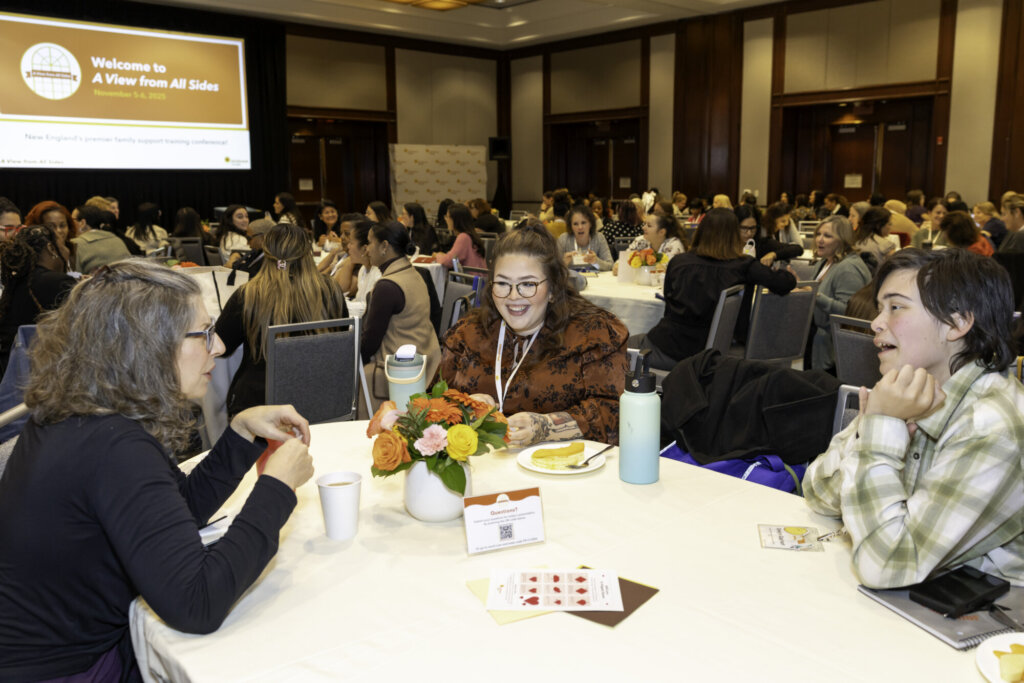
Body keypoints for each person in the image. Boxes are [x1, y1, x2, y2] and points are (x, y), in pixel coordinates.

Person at [0, 260, 315, 680]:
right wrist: (276, 487)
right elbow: (197, 603)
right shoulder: (114, 446)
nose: (218, 346)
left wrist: (239, 436)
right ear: (148, 345)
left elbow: (174, 513)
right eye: (203, 333)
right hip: (66, 669)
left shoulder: (84, 414)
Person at [803, 248, 1024, 588]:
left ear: (957, 322)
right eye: (880, 308)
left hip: (988, 617)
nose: (876, 322)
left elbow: (887, 564)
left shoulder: (990, 425)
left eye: (896, 307)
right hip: (920, 599)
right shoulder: (911, 390)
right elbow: (817, 492)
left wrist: (881, 429)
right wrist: (875, 429)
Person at [440, 225, 628, 446]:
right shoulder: (469, 333)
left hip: (562, 469)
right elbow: (433, 402)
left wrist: (548, 427)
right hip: (481, 468)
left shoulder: (591, 334)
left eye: (528, 284)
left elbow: (613, 414)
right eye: (502, 283)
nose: (513, 296)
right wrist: (463, 406)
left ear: (552, 289)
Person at [631, 208, 798, 371]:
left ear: (701, 231)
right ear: (734, 235)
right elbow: (784, 284)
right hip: (715, 352)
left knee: (619, 345)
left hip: (669, 348)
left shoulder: (679, 262)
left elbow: (668, 303)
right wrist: (788, 274)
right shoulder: (744, 265)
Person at [215, 223, 348, 417]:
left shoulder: (249, 294)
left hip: (259, 404)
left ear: (266, 253)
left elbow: (221, 347)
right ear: (307, 254)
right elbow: (340, 342)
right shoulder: (331, 291)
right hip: (320, 400)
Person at [361, 221, 441, 414]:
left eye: (370, 242)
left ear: (384, 246)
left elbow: (370, 342)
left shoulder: (388, 286)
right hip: (428, 355)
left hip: (402, 369)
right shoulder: (413, 273)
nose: (366, 249)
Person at [0, 225, 76, 374]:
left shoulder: (18, 282)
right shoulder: (58, 283)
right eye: (63, 244)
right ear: (51, 248)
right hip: (41, 373)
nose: (67, 251)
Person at [809, 216, 872, 371]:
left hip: (836, 352)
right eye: (818, 234)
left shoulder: (848, 269)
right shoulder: (826, 261)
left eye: (828, 236)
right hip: (820, 342)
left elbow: (850, 312)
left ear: (843, 240)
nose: (820, 240)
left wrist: (815, 296)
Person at [610, 213, 686, 275]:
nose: (643, 228)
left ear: (661, 232)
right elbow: (623, 259)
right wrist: (618, 266)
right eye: (645, 224)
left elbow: (666, 271)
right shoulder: (640, 240)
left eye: (649, 226)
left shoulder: (674, 245)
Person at [332, 219, 381, 306]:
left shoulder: (379, 275)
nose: (348, 246)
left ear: (364, 248)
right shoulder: (363, 269)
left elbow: (366, 309)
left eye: (351, 243)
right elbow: (358, 301)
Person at [71, 206, 131, 274]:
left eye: (72, 220)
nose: (69, 224)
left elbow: (73, 278)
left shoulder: (75, 244)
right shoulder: (117, 240)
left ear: (82, 223)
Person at [735, 204, 801, 268]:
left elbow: (798, 249)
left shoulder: (762, 243)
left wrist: (774, 254)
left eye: (753, 228)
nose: (749, 233)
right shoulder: (726, 245)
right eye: (744, 228)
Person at [557, 205, 612, 271]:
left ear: (590, 223)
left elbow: (610, 265)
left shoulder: (599, 238)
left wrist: (596, 262)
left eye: (583, 223)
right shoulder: (564, 239)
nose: (580, 227)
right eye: (575, 224)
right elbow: (552, 269)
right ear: (570, 226)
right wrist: (563, 264)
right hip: (572, 280)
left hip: (595, 280)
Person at [433, 203, 486, 270]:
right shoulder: (470, 235)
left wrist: (437, 255)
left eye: (447, 216)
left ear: (455, 220)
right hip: (477, 277)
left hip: (470, 278)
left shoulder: (464, 237)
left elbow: (448, 261)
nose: (446, 219)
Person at [24, 200, 76, 266]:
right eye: (51, 226)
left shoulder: (71, 250)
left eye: (62, 225)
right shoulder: (32, 257)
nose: (59, 230)